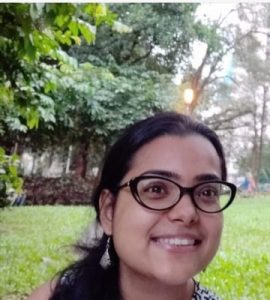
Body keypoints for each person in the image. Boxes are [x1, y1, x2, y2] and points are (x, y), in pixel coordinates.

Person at [28, 112, 237, 300]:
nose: (187, 213)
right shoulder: (57, 296)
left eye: (207, 192)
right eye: (156, 189)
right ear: (109, 211)